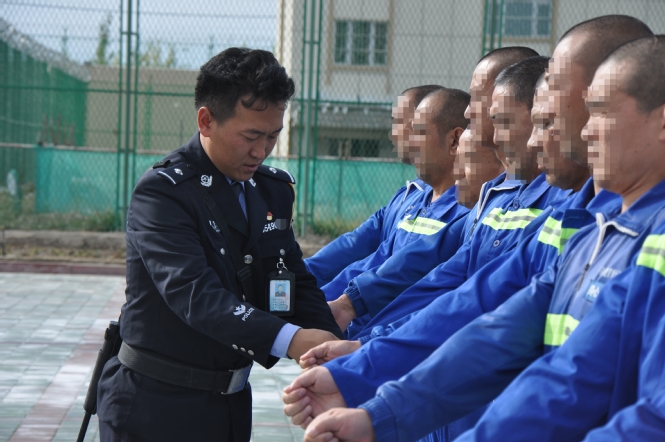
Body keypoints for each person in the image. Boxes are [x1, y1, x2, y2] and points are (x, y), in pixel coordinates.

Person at [292, 15, 656, 442]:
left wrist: (369, 381)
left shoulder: (618, 230)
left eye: (598, 110)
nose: (540, 139)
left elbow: (593, 392)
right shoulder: (589, 226)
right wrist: (368, 388)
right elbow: (489, 319)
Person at [95, 48, 343, 442]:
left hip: (229, 406)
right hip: (155, 407)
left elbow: (293, 277)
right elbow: (195, 294)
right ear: (206, 121)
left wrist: (333, 351)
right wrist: (293, 340)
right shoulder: (164, 193)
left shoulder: (271, 190)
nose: (261, 151)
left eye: (273, 136)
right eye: (251, 136)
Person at [454, 34, 665, 442]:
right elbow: (567, 373)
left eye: (599, 112)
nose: (587, 132)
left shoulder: (631, 233)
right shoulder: (594, 231)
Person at [326, 48, 556, 340]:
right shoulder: (490, 198)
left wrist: (369, 346)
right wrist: (351, 314)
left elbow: (476, 304)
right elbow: (422, 272)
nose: (470, 111)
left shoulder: (556, 205)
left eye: (417, 130)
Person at [322, 88, 472, 332]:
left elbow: (419, 287)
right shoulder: (411, 198)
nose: (408, 140)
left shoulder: (469, 212)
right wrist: (314, 298)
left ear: (455, 140)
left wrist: (360, 330)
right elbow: (371, 260)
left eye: (419, 131)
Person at [304, 85, 442, 288]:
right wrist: (300, 275)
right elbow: (355, 244)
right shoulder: (408, 195)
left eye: (399, 122)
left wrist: (335, 300)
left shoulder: (459, 206)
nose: (393, 134)